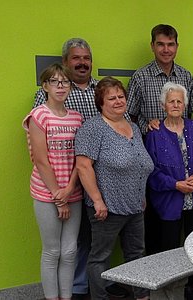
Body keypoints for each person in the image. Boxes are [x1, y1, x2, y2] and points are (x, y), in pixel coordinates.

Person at [33, 38, 128, 299]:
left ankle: (95, 286)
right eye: (76, 58)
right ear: (65, 63)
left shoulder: (101, 89)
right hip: (65, 182)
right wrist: (60, 191)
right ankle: (75, 289)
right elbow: (40, 152)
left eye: (86, 58)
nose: (82, 62)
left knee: (93, 239)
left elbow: (123, 121)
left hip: (101, 180)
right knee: (63, 247)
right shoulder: (47, 100)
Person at [75, 77, 154, 300]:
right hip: (107, 208)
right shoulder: (93, 128)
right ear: (101, 102)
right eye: (111, 98)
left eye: (121, 96)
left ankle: (141, 296)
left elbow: (140, 164)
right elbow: (83, 166)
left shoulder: (133, 127)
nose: (118, 101)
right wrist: (97, 200)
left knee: (137, 254)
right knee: (100, 257)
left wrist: (142, 194)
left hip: (135, 205)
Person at [126, 24, 193, 255]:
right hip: (152, 155)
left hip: (182, 155)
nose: (166, 49)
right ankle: (160, 279)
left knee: (188, 227)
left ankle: (187, 281)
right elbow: (129, 115)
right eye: (161, 44)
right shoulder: (141, 77)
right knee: (158, 224)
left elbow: (191, 114)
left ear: (176, 47)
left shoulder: (186, 76)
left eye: (170, 44)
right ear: (152, 46)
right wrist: (147, 126)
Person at [23, 63, 83, 300]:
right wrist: (59, 197)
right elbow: (40, 159)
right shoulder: (38, 116)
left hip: (73, 193)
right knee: (52, 251)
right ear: (45, 86)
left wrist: (69, 189)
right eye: (54, 81)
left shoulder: (77, 118)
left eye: (65, 81)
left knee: (69, 251)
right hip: (46, 194)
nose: (60, 86)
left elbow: (81, 159)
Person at [145, 82, 193, 299]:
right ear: (163, 105)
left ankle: (189, 287)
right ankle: (170, 288)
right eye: (171, 101)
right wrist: (175, 185)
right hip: (168, 201)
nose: (175, 104)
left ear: (185, 105)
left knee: (192, 245)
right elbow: (151, 172)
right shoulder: (154, 133)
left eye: (179, 101)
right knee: (169, 246)